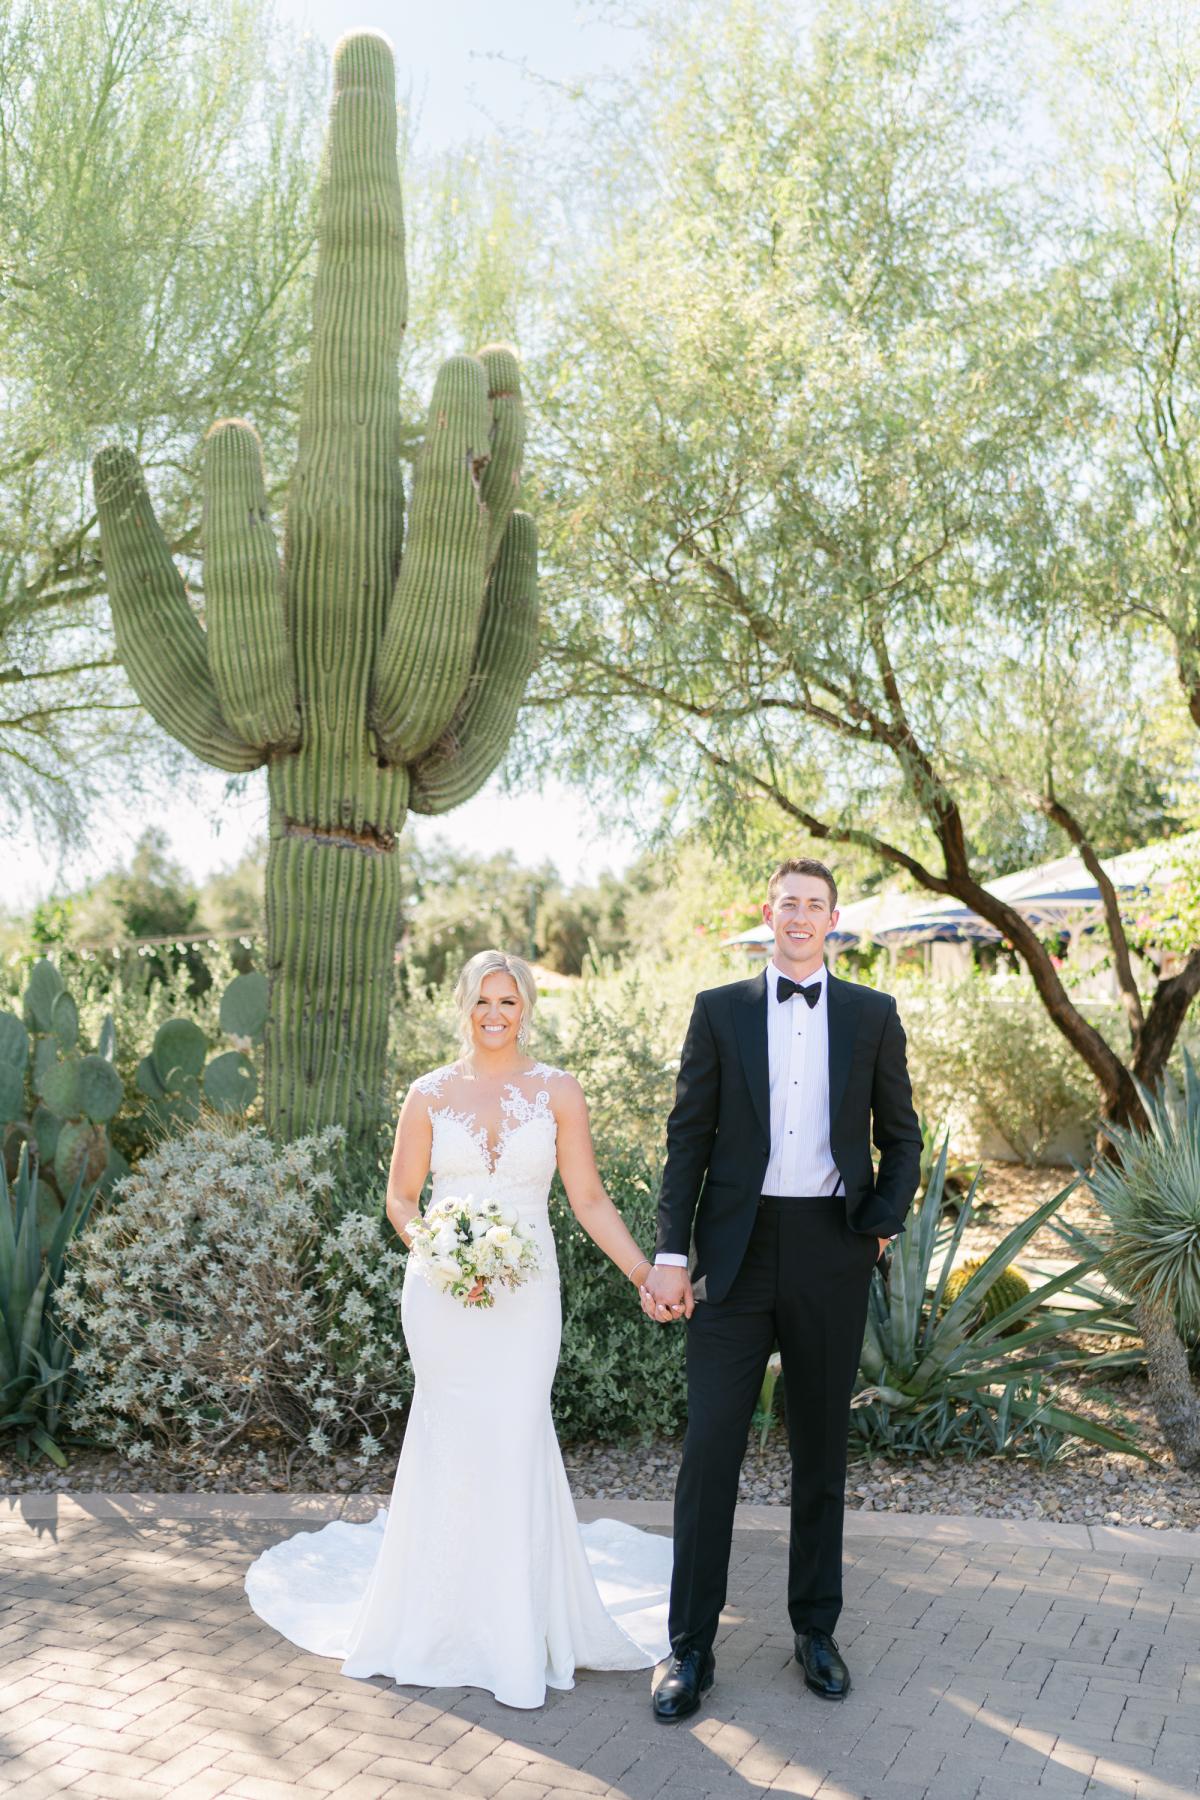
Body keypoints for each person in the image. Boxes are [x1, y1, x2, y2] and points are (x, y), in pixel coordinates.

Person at [244, 949, 672, 1709]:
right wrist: (440, 1246)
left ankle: (516, 1628)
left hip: (527, 1295)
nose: (495, 1014)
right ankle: (440, 1618)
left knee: (514, 1433)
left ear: (526, 1007)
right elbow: (401, 1201)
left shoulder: (559, 1092)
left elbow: (591, 1201)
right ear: (464, 1006)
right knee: (453, 1436)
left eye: (508, 1001)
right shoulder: (429, 1094)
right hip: (443, 1294)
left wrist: (645, 1274)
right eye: (483, 1001)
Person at [640, 857, 922, 1722]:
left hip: (830, 1246)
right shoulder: (718, 1010)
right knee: (710, 1451)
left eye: (815, 906)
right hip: (735, 1250)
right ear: (769, 913)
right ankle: (689, 1649)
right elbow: (687, 1138)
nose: (800, 917)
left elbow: (901, 1136)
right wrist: (671, 1253)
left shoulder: (874, 1014)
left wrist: (873, 1227)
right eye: (787, 903)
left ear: (834, 919)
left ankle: (815, 1631)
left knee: (821, 1453)